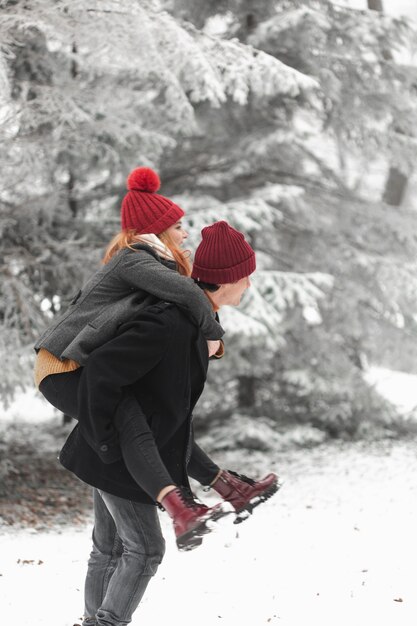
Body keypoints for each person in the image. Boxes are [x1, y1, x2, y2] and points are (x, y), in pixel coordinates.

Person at [55, 220, 280, 626]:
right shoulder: (169, 322)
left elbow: (167, 420)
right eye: (245, 276)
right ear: (227, 279)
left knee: (109, 548)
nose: (249, 285)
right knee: (145, 550)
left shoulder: (189, 324)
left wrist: (219, 480)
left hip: (119, 446)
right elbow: (101, 370)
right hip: (118, 451)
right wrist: (107, 443)